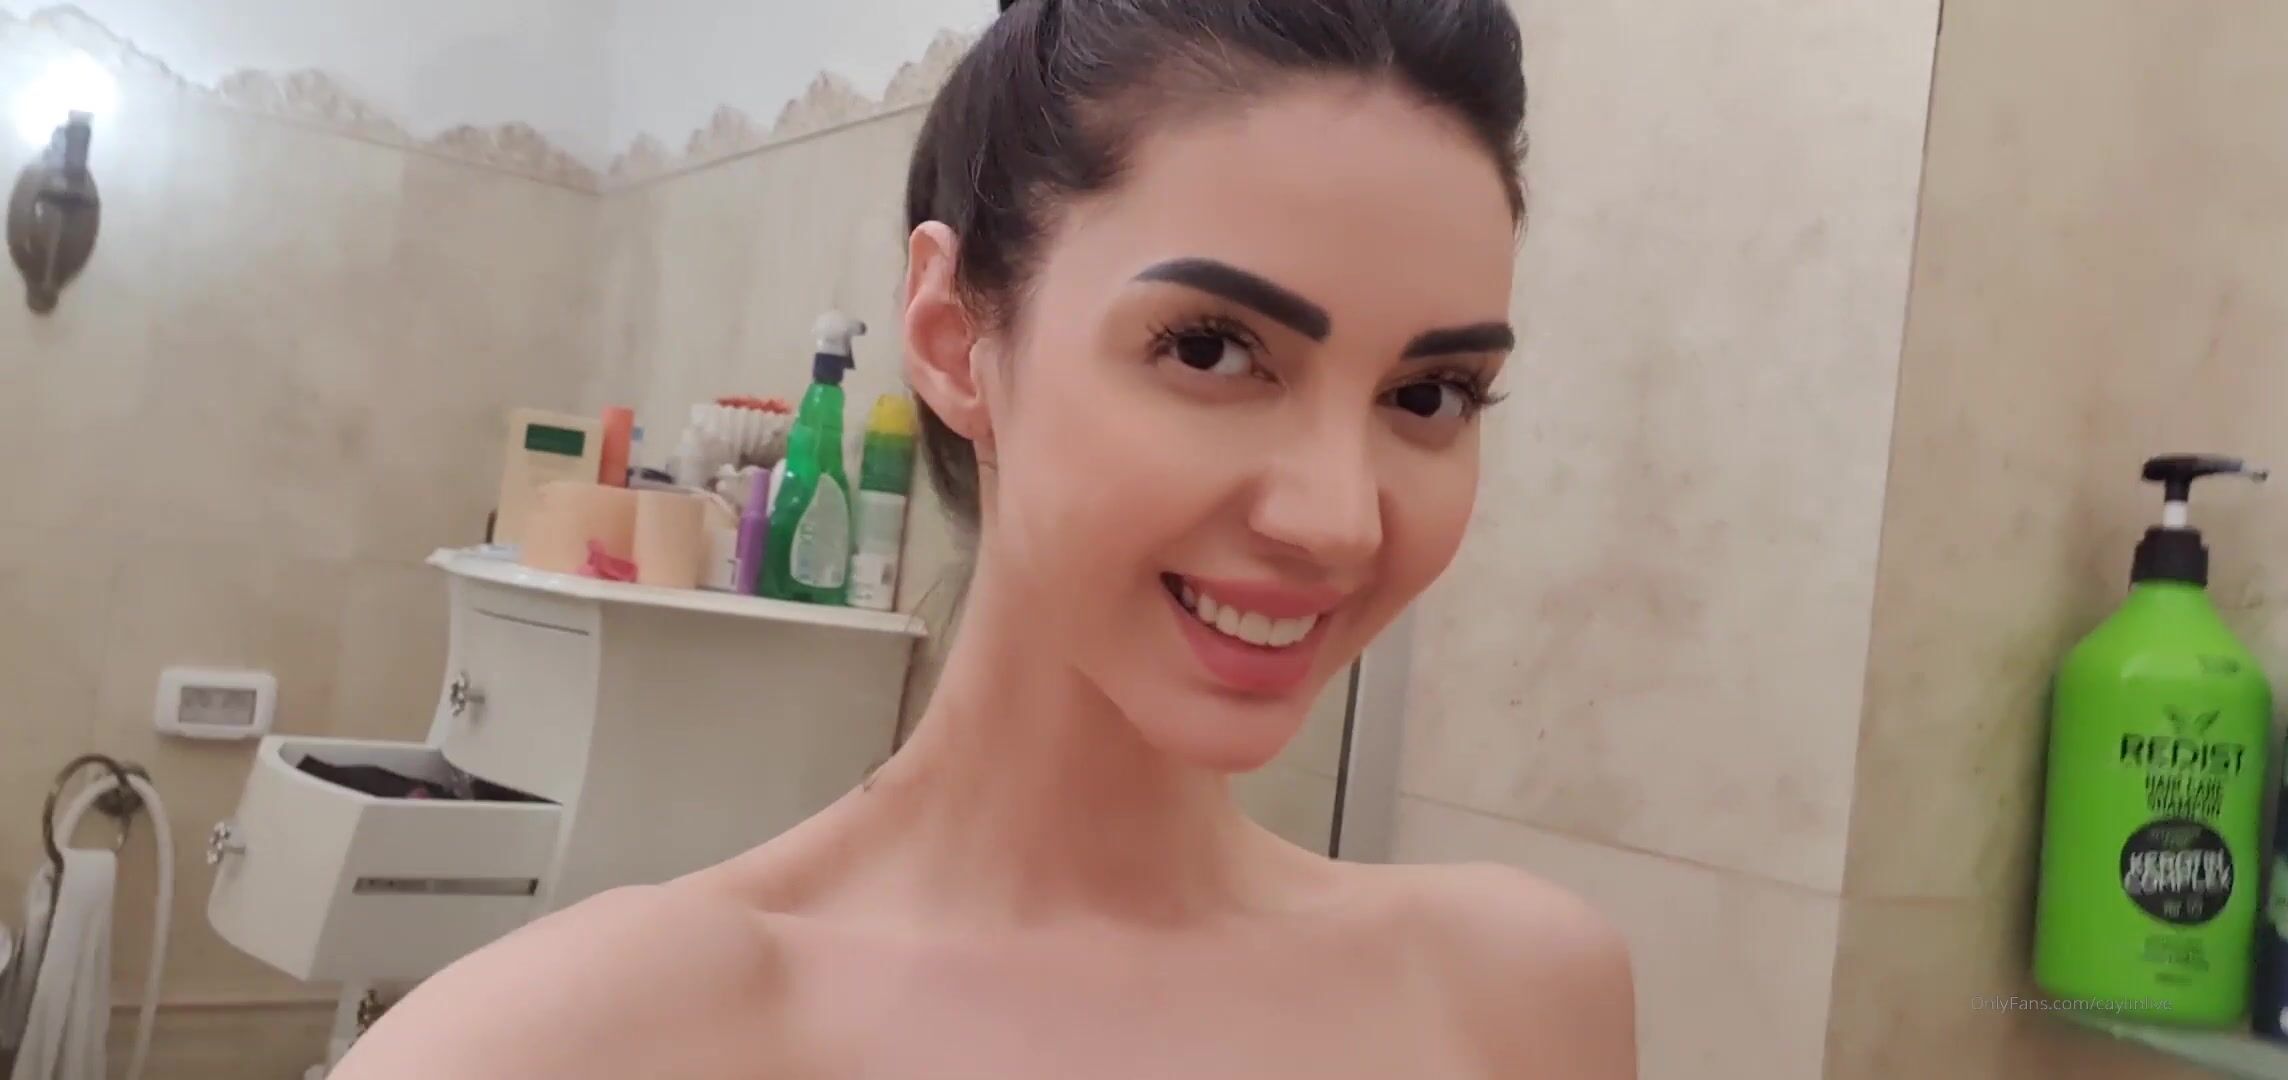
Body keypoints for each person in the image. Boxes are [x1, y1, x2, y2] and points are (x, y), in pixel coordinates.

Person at [333, 1, 1636, 1076]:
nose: (1337, 519)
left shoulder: (1521, 997)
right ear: (955, 337)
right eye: (1211, 351)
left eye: (1430, 395)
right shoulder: (565, 1045)